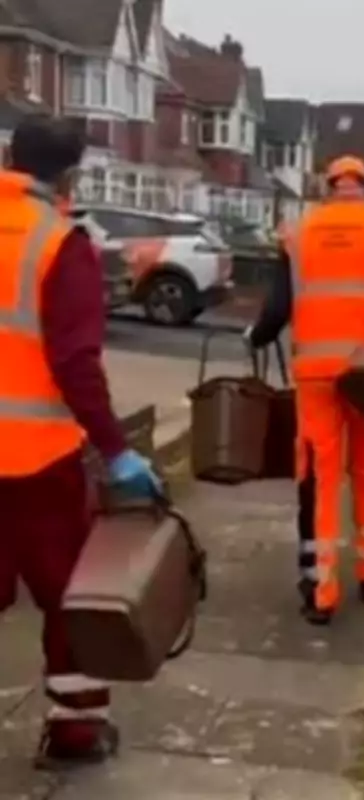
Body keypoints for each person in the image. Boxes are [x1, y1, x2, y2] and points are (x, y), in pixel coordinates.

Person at [0, 114, 161, 768]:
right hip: (37, 462)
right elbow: (74, 365)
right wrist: (117, 449)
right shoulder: (60, 244)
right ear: (69, 175)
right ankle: (73, 730)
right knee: (70, 596)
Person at [245, 154, 364, 625]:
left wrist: (257, 337)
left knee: (319, 475)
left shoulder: (299, 233)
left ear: (327, 187)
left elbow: (275, 312)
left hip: (316, 375)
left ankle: (321, 589)